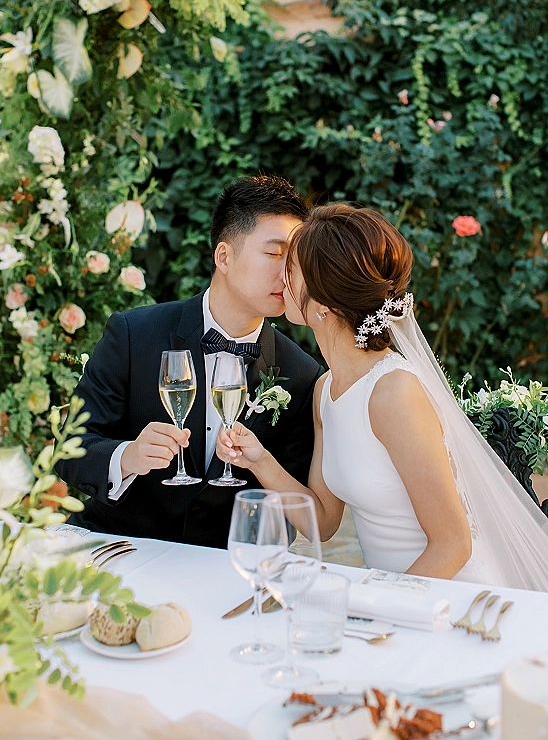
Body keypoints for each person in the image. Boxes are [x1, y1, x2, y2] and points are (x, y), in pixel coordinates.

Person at [217, 204, 548, 590]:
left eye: (289, 266)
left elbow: (453, 545)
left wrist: (374, 606)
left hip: (452, 596)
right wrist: (261, 461)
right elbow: (322, 523)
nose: (279, 276)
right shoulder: (326, 390)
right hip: (395, 597)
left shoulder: (394, 392)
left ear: (324, 303)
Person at [56, 175, 323, 548]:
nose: (288, 275)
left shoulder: (301, 374)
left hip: (221, 567)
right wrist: (128, 455)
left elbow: (295, 509)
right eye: (275, 254)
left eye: (293, 260)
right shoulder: (134, 334)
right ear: (224, 256)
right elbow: (70, 448)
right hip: (117, 548)